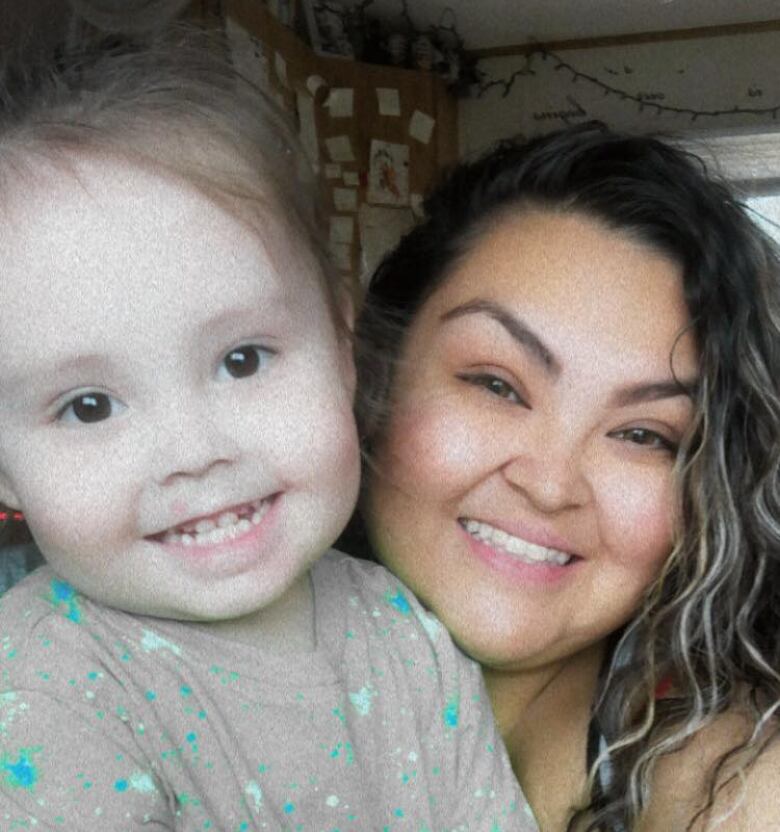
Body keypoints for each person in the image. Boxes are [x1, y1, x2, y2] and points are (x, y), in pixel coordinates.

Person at [0, 33, 534, 831]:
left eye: (243, 359)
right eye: (89, 407)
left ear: (344, 350)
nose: (195, 451)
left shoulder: (401, 630)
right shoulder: (44, 692)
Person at [353, 123, 780, 830]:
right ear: (375, 373)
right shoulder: (147, 685)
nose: (551, 485)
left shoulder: (731, 783)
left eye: (644, 435)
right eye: (496, 384)